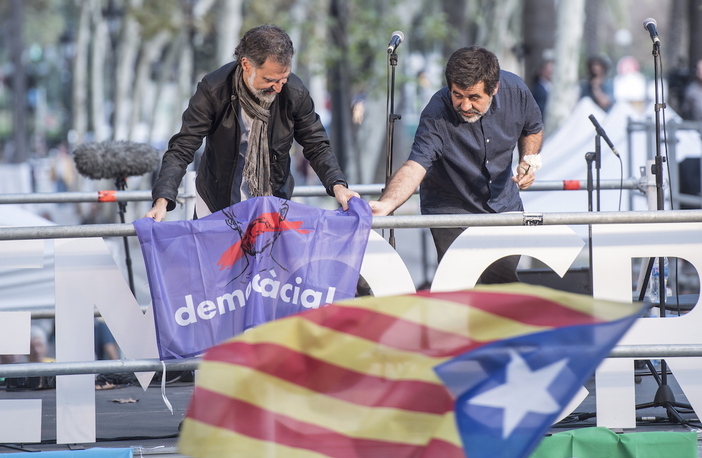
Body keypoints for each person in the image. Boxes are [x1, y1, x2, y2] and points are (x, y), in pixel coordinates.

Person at [145, 24, 359, 221]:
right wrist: (162, 200)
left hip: (272, 204)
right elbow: (182, 147)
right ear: (246, 64)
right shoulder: (213, 89)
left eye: (283, 79)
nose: (277, 88)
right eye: (270, 80)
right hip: (215, 203)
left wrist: (338, 186)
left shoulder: (294, 92)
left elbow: (316, 144)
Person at [368, 46, 543, 283]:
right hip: (451, 210)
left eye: (474, 97)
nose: (465, 105)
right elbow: (415, 165)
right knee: (458, 289)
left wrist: (528, 161)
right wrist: (387, 203)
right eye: (457, 95)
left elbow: (532, 129)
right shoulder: (436, 111)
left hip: (504, 205)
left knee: (503, 288)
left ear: (495, 88)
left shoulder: (517, 91)